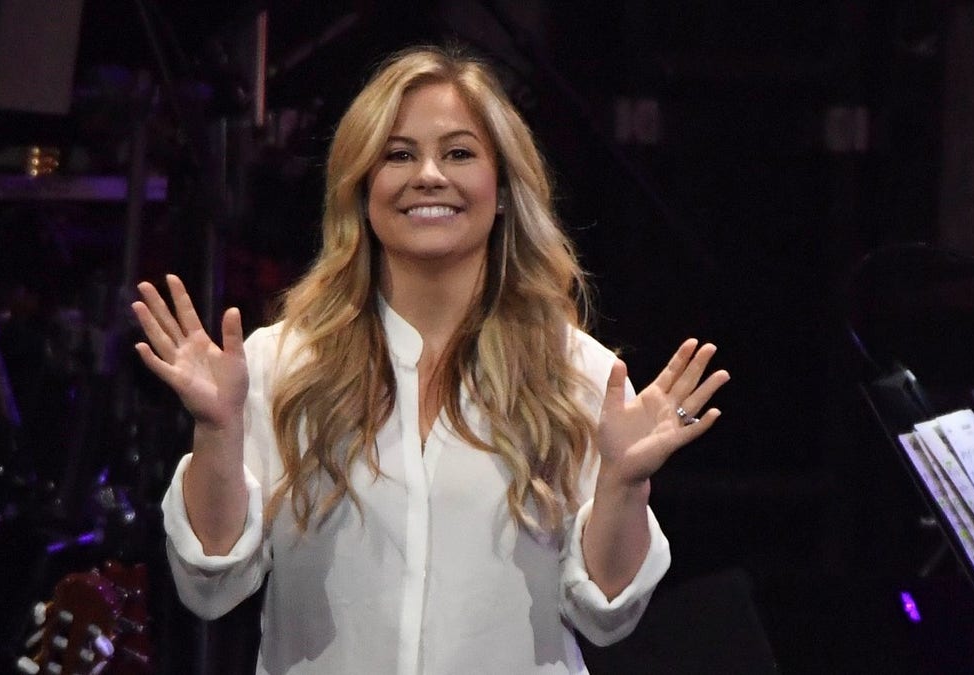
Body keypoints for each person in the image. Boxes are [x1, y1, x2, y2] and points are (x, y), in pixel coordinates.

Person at [132, 44, 729, 675]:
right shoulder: (280, 362)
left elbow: (606, 617)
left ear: (502, 191)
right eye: (398, 154)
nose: (428, 175)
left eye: (459, 153)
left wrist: (624, 484)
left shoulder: (580, 374)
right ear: (362, 190)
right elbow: (211, 586)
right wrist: (217, 431)